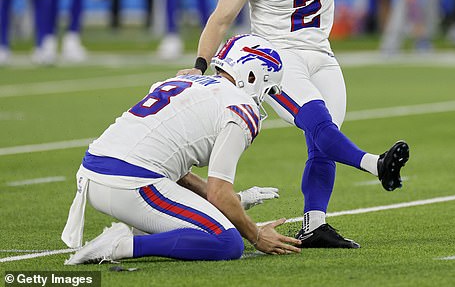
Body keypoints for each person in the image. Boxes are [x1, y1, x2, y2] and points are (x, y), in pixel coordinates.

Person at [178, 0, 422, 248]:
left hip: (320, 50)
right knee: (318, 122)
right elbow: (221, 19)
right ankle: (376, 165)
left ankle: (315, 224)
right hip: (273, 58)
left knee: (326, 139)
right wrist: (200, 66)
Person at [62, 34, 301, 264]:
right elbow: (219, 193)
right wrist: (256, 235)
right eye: (267, 89)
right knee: (227, 241)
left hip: (91, 176)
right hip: (132, 184)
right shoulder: (240, 107)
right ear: (252, 77)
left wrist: (236, 200)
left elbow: (180, 175)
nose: (263, 97)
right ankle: (121, 245)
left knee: (210, 225)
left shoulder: (183, 80)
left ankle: (141, 233)